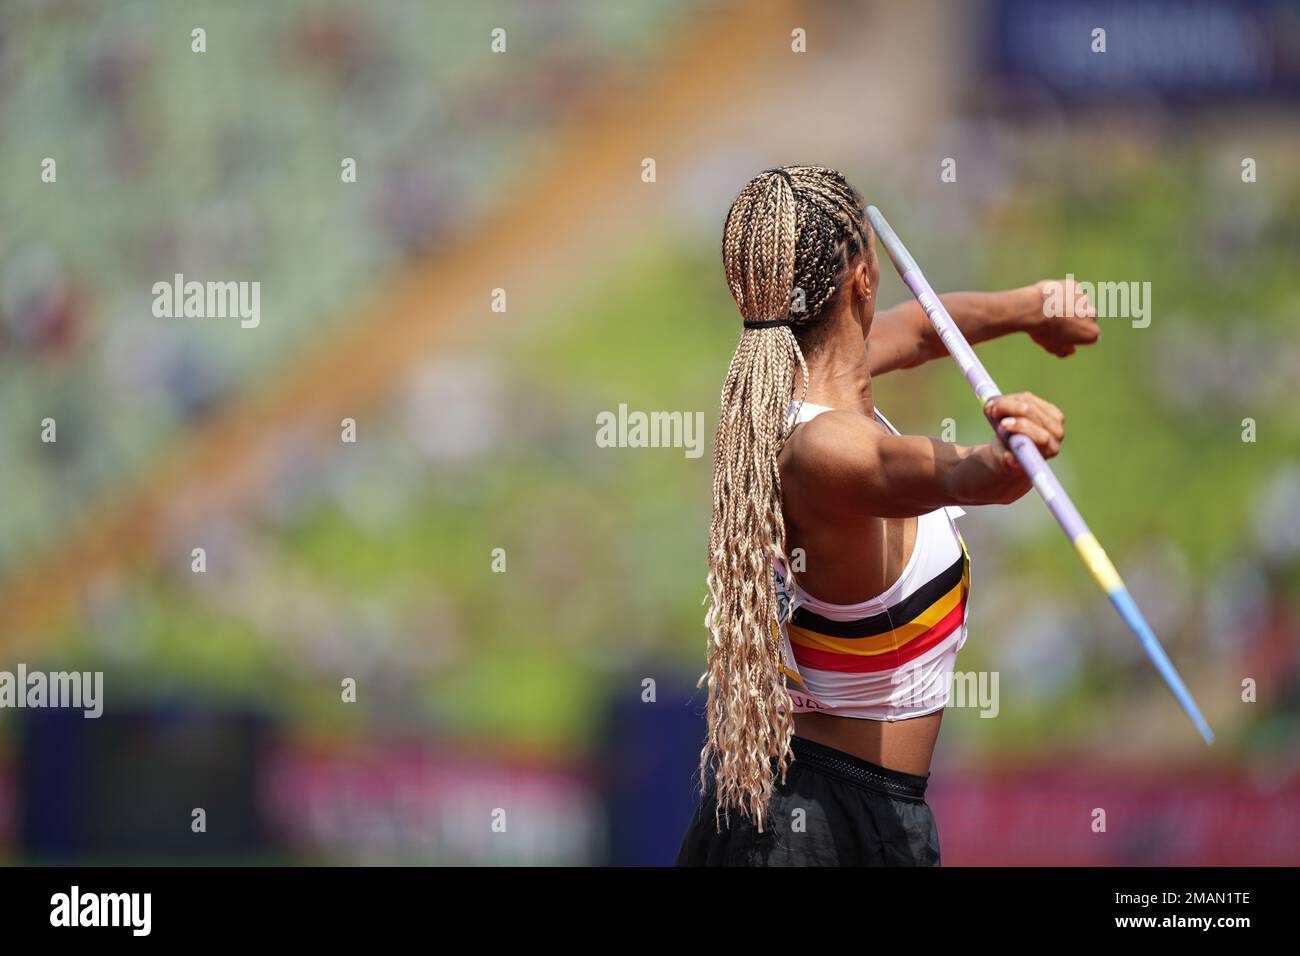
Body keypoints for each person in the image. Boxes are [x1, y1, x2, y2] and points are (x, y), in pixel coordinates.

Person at [677, 165, 1099, 866]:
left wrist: (1033, 305)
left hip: (791, 810)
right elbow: (954, 474)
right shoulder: (826, 449)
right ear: (863, 280)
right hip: (834, 829)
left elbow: (926, 331)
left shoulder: (779, 387)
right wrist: (1007, 454)